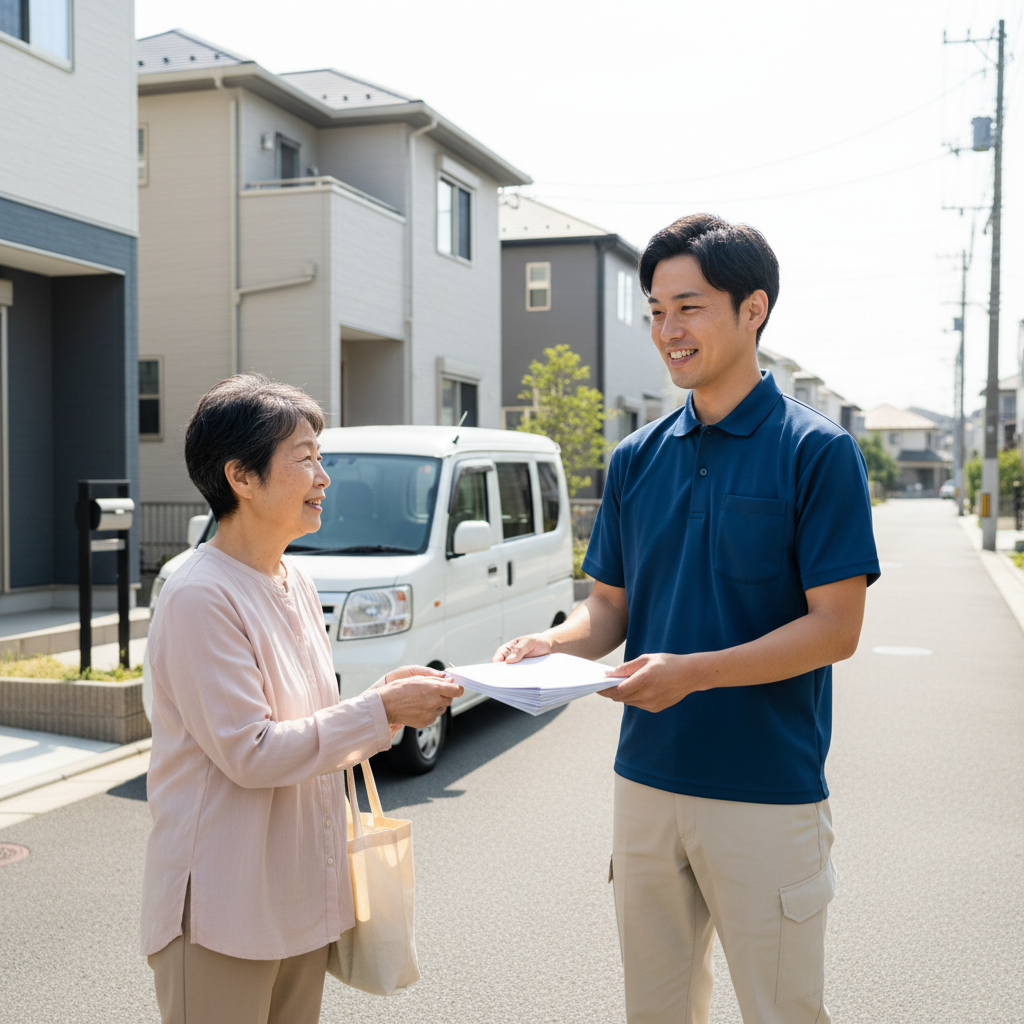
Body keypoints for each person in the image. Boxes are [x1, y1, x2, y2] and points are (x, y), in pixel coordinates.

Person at [494, 214, 879, 1023]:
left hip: (766, 788)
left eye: (690, 307)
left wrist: (692, 673)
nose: (667, 330)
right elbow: (607, 610)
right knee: (656, 1011)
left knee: (783, 1011)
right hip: (646, 781)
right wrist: (549, 645)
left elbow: (836, 628)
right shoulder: (637, 458)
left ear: (753, 310)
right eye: (656, 309)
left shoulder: (816, 452)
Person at [141, 375, 462, 1024]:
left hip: (298, 900)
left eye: (321, 456)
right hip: (222, 909)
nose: (324, 476)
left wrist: (381, 698)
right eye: (306, 458)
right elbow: (251, 752)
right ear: (242, 477)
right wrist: (381, 712)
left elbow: (311, 723)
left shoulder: (296, 580)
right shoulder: (200, 593)